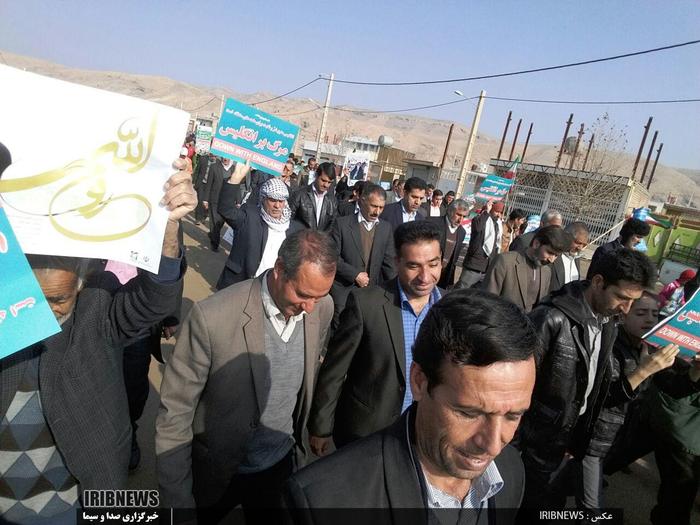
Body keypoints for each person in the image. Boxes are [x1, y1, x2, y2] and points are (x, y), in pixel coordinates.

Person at [0, 153, 195, 524]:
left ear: (81, 281)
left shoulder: (96, 308)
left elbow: (154, 300)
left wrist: (166, 230)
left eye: (59, 300)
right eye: (33, 298)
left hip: (76, 504)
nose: (46, 312)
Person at [286, 289, 541, 521]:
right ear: (419, 382)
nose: (493, 445)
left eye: (513, 416)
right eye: (469, 413)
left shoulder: (511, 471)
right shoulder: (323, 503)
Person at [156, 230, 336, 521]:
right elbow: (175, 414)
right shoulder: (212, 317)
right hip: (215, 473)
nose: (309, 308)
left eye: (320, 296)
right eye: (302, 294)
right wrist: (177, 502)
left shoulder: (320, 307)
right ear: (279, 270)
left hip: (279, 466)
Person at [518, 247, 656, 511]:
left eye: (633, 302)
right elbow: (513, 389)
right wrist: (510, 450)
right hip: (531, 447)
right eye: (622, 298)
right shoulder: (551, 318)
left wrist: (576, 438)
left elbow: (593, 390)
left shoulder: (608, 322)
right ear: (598, 282)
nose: (626, 309)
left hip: (563, 444)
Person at [308, 221, 443, 453]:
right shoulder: (365, 304)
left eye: (433, 264)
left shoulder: (449, 309)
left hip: (423, 437)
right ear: (397, 262)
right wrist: (321, 427)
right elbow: (335, 370)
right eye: (414, 266)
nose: (425, 276)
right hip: (365, 433)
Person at [568, 291, 680, 514]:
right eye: (641, 312)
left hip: (619, 441)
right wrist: (644, 370)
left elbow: (673, 387)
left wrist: (696, 373)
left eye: (654, 313)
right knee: (592, 511)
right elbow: (602, 398)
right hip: (594, 440)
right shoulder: (608, 344)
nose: (649, 319)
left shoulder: (649, 346)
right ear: (624, 315)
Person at [216, 176, 304, 290]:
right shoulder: (249, 217)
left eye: (281, 201)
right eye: (272, 200)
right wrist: (236, 177)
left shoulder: (294, 229)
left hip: (272, 289)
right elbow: (225, 209)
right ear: (263, 199)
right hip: (240, 285)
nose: (277, 206)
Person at [329, 183, 396, 327]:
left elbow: (389, 263)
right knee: (340, 328)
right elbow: (332, 257)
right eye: (374, 206)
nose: (377, 212)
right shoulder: (342, 225)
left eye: (381, 207)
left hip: (369, 292)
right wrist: (355, 275)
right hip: (343, 289)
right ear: (362, 201)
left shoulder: (385, 228)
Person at [484, 226, 572, 312]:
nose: (552, 260)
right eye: (549, 252)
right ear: (536, 243)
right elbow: (487, 302)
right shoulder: (505, 262)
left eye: (556, 255)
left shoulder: (546, 272)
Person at [459, 201, 505, 288]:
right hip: (474, 266)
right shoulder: (479, 219)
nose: (498, 215)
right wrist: (486, 212)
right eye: (496, 211)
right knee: (461, 291)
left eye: (500, 212)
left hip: (486, 268)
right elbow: (477, 228)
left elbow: (496, 245)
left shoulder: (497, 224)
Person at [427, 199, 468, 289]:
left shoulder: (462, 232)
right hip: (427, 273)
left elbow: (453, 259)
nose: (461, 219)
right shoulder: (432, 223)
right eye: (458, 214)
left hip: (444, 278)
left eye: (464, 216)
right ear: (450, 211)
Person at [289, 161, 338, 231]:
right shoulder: (299, 195)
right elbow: (289, 220)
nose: (326, 185)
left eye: (329, 182)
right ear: (316, 175)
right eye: (323, 180)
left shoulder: (333, 201)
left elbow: (331, 226)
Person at [202, 156, 235, 252]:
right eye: (224, 157)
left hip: (227, 201)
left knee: (220, 222)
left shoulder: (234, 169)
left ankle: (212, 234)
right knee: (215, 222)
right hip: (214, 200)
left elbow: (236, 186)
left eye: (227, 157)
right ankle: (215, 244)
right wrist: (205, 199)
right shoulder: (214, 167)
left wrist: (238, 201)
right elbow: (209, 184)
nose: (225, 159)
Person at [548, 222, 590, 293]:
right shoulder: (551, 256)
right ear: (566, 236)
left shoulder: (576, 258)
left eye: (584, 245)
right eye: (578, 243)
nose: (580, 248)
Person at [192, 152, 215, 224]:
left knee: (207, 202)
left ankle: (204, 217)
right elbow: (197, 171)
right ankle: (198, 218)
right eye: (213, 155)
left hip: (211, 185)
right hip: (201, 183)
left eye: (215, 156)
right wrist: (194, 181)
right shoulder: (203, 159)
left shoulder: (217, 163)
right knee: (200, 200)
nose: (214, 157)